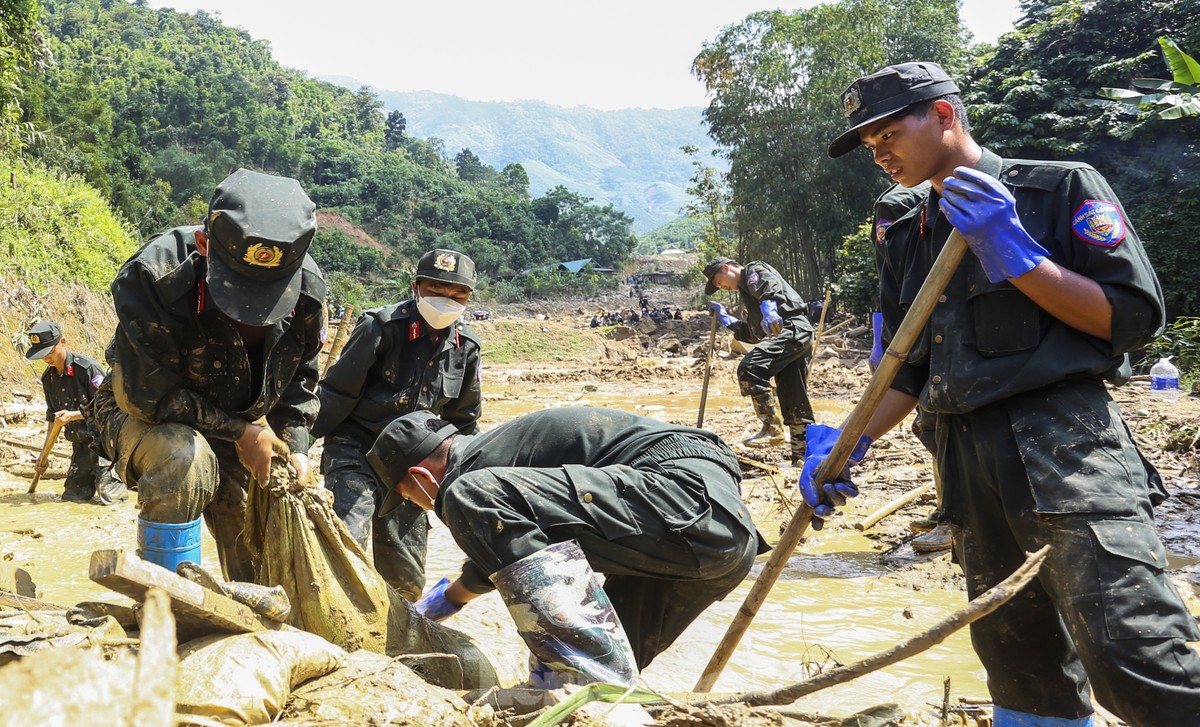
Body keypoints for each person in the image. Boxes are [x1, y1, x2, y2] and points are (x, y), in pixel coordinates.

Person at [811, 61, 1200, 725]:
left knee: (1137, 661)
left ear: (942, 115)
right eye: (870, 146)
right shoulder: (906, 226)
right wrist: (846, 443)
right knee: (1019, 664)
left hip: (1067, 454)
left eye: (888, 135)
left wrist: (1018, 253)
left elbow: (1132, 320)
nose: (880, 155)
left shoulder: (1056, 189)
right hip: (964, 463)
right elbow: (906, 369)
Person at [367, 406, 768, 686]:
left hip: (679, 502)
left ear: (419, 476)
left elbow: (488, 518)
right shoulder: (501, 457)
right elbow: (519, 544)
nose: (416, 504)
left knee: (579, 662)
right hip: (714, 540)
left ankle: (569, 670)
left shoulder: (471, 475)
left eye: (406, 496)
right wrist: (450, 599)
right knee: (600, 686)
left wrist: (555, 651)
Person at [92, 168, 326, 579]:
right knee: (185, 459)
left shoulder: (307, 292)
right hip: (141, 412)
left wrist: (298, 446)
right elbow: (148, 396)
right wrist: (243, 433)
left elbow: (299, 381)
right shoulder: (155, 278)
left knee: (261, 517)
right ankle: (163, 600)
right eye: (237, 289)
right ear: (204, 245)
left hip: (234, 420)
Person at [311, 248, 481, 601]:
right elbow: (336, 393)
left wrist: (473, 479)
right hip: (358, 450)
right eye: (436, 289)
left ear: (468, 298)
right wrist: (295, 446)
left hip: (414, 466)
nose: (446, 299)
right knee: (347, 539)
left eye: (457, 294)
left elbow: (463, 421)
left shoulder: (466, 347)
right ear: (416, 287)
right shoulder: (381, 327)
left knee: (405, 579)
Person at [703, 257, 816, 464]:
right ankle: (803, 457)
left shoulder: (752, 271)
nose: (722, 287)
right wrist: (725, 318)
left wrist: (770, 308)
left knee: (750, 368)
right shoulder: (749, 297)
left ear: (726, 268)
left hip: (793, 328)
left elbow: (768, 287)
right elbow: (754, 334)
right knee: (793, 395)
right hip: (790, 336)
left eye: (719, 281)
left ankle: (772, 428)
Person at [24, 321, 124, 505]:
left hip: (104, 446)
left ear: (63, 342)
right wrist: (43, 455)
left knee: (110, 499)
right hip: (80, 448)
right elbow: (53, 418)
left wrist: (73, 415)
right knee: (72, 499)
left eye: (50, 351)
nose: (47, 358)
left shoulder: (87, 369)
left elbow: (107, 407)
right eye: (42, 355)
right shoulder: (48, 379)